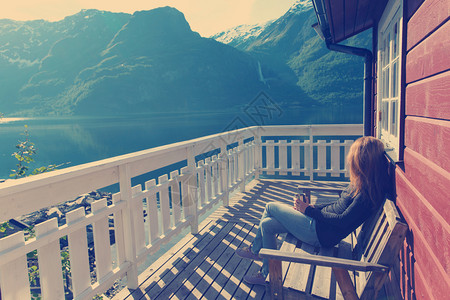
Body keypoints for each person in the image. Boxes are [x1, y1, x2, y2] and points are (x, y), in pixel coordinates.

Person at [235, 136, 389, 285]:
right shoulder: (362, 184)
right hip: (319, 226)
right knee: (267, 225)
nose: (350, 162)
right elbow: (338, 205)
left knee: (270, 206)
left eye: (353, 158)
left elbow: (342, 221)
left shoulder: (366, 195)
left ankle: (256, 251)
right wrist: (313, 208)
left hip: (319, 233)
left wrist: (308, 211)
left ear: (362, 161)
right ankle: (266, 274)